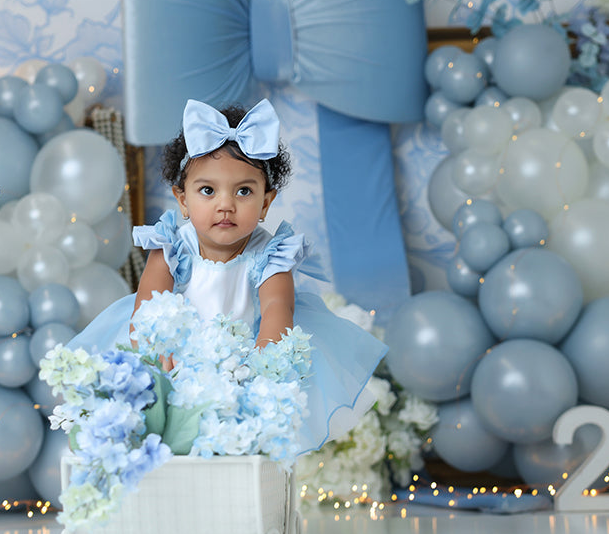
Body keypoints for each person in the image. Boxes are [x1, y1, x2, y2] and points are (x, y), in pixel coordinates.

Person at [67, 97, 387, 454]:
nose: (225, 204)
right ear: (182, 199)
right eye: (207, 190)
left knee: (235, 441)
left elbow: (278, 310)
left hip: (241, 361)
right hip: (175, 357)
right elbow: (148, 306)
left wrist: (263, 368)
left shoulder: (271, 253)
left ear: (266, 202)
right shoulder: (173, 244)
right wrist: (154, 355)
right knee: (161, 426)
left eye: (244, 191)